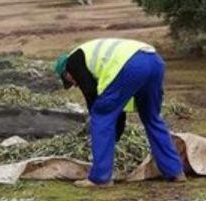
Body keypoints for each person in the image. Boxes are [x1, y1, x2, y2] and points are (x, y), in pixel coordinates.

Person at [54, 38, 186, 187]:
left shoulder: (72, 61)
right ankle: (174, 171)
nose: (75, 84)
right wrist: (116, 131)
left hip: (131, 65)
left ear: (66, 72)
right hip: (154, 61)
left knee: (100, 116)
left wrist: (101, 128)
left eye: (70, 81)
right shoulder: (94, 55)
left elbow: (91, 95)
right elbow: (118, 107)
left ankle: (100, 178)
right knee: (152, 118)